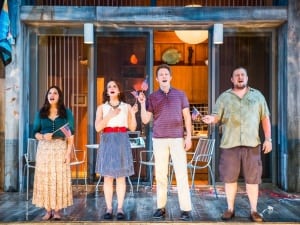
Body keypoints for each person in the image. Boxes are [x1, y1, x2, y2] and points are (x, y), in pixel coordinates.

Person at [202, 67, 272, 222]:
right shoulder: (224, 98)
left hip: (252, 144)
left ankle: (254, 210)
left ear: (246, 78)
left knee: (253, 179)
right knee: (229, 178)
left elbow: (265, 118)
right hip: (230, 144)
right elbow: (216, 116)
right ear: (232, 79)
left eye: (243, 75)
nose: (240, 77)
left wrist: (268, 139)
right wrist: (210, 119)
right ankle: (230, 209)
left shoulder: (258, 96)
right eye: (236, 75)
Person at [138, 64, 192, 221]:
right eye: (160, 74)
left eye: (166, 74)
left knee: (181, 174)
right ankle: (160, 207)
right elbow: (145, 119)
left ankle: (186, 209)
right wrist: (142, 103)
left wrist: (188, 137)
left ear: (170, 77)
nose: (163, 76)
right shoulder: (152, 97)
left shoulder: (180, 95)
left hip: (177, 139)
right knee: (161, 174)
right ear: (157, 79)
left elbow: (187, 117)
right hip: (159, 139)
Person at [95, 80, 138, 220]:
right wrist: (109, 116)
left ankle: (120, 208)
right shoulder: (101, 107)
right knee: (107, 177)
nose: (112, 88)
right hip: (107, 139)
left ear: (118, 90)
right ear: (107, 92)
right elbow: (97, 128)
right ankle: (109, 208)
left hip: (122, 139)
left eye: (114, 86)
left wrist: (132, 114)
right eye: (109, 87)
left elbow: (132, 127)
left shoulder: (126, 106)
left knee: (120, 177)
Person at [32, 85, 75, 220]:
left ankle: (57, 211)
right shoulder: (41, 113)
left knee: (59, 179)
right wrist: (43, 137)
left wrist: (68, 153)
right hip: (44, 149)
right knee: (45, 179)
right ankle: (47, 210)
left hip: (60, 148)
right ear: (47, 96)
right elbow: (35, 133)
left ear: (59, 96)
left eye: (55, 93)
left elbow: (71, 135)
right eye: (50, 93)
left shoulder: (66, 113)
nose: (52, 95)